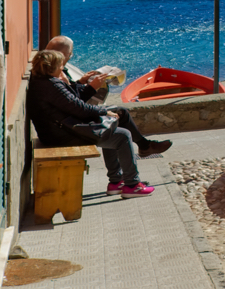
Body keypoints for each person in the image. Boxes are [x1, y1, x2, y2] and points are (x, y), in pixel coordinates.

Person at [27, 50, 158, 197]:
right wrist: (102, 112)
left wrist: (85, 88)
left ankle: (116, 182)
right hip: (62, 134)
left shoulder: (42, 82)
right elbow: (79, 108)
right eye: (61, 66)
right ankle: (132, 185)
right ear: (52, 68)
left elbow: (72, 103)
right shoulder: (51, 86)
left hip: (57, 130)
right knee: (122, 135)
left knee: (113, 123)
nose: (63, 69)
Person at [44, 35, 172, 158]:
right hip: (67, 127)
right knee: (117, 121)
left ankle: (140, 151)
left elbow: (68, 97)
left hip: (65, 122)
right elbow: (74, 104)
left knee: (116, 118)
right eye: (70, 54)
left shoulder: (51, 71)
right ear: (65, 55)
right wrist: (93, 89)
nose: (71, 57)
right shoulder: (56, 75)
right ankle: (138, 157)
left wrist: (81, 82)